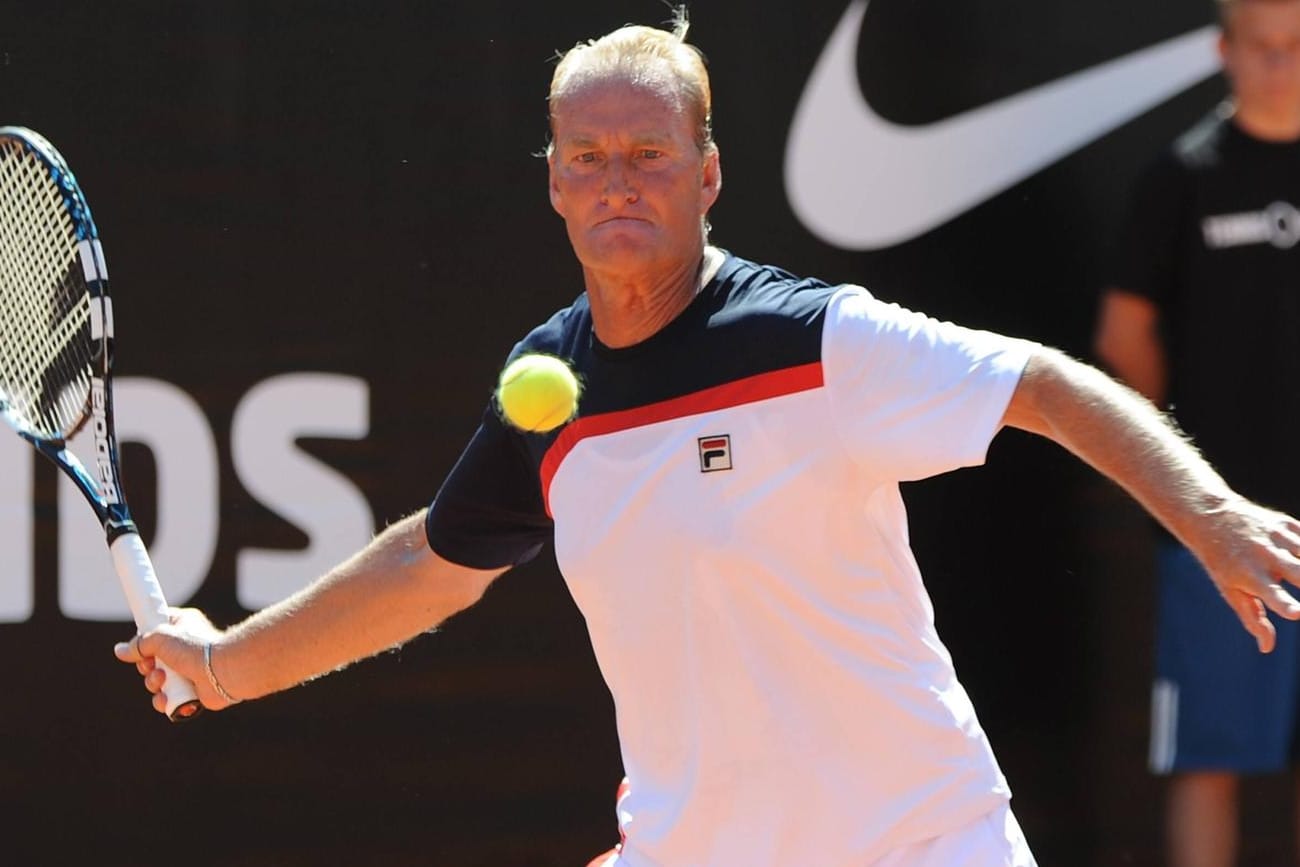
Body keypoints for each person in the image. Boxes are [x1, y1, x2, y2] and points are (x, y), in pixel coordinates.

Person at [120, 9, 1300, 866]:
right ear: (554, 186)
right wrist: (225, 667)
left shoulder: (817, 339)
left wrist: (1209, 515)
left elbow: (1041, 382)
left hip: (921, 845)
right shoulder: (552, 391)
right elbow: (433, 561)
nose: (616, 182)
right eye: (587, 159)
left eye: (649, 156)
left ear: (707, 174)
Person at [1094, 1, 1300, 864]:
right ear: (1225, 51)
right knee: (1209, 756)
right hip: (1221, 524)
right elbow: (1121, 339)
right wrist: (1188, 470)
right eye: (1263, 49)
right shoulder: (1181, 177)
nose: (1281, 66)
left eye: (1298, 48)